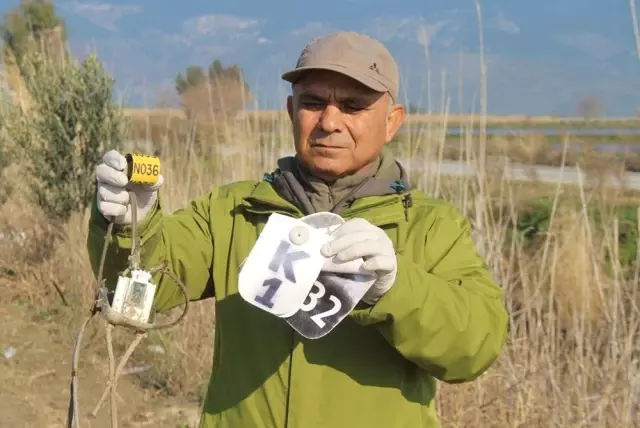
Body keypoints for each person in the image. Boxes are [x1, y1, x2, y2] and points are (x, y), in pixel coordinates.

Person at [88, 31, 509, 428]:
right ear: (291, 112)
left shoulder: (432, 227)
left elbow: (474, 348)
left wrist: (396, 288)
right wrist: (130, 226)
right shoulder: (235, 211)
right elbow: (149, 290)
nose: (329, 121)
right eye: (312, 103)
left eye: (353, 105)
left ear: (392, 121)